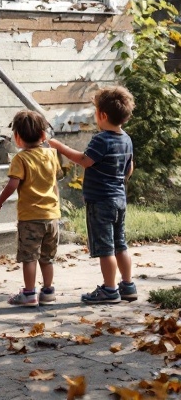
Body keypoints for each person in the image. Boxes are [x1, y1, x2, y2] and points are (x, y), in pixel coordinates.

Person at [50, 86, 136, 304]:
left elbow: (84, 160)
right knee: (120, 244)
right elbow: (129, 169)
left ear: (103, 115)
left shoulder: (101, 139)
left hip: (100, 201)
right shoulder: (126, 139)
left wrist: (60, 146)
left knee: (105, 248)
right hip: (119, 199)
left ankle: (109, 289)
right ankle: (128, 285)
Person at [0, 110, 60, 307]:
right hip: (52, 215)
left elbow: (12, 185)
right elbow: (53, 183)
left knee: (29, 257)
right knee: (47, 257)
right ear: (43, 135)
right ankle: (48, 291)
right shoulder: (50, 155)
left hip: (30, 217)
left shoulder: (20, 159)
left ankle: (29, 293)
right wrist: (56, 202)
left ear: (17, 138)